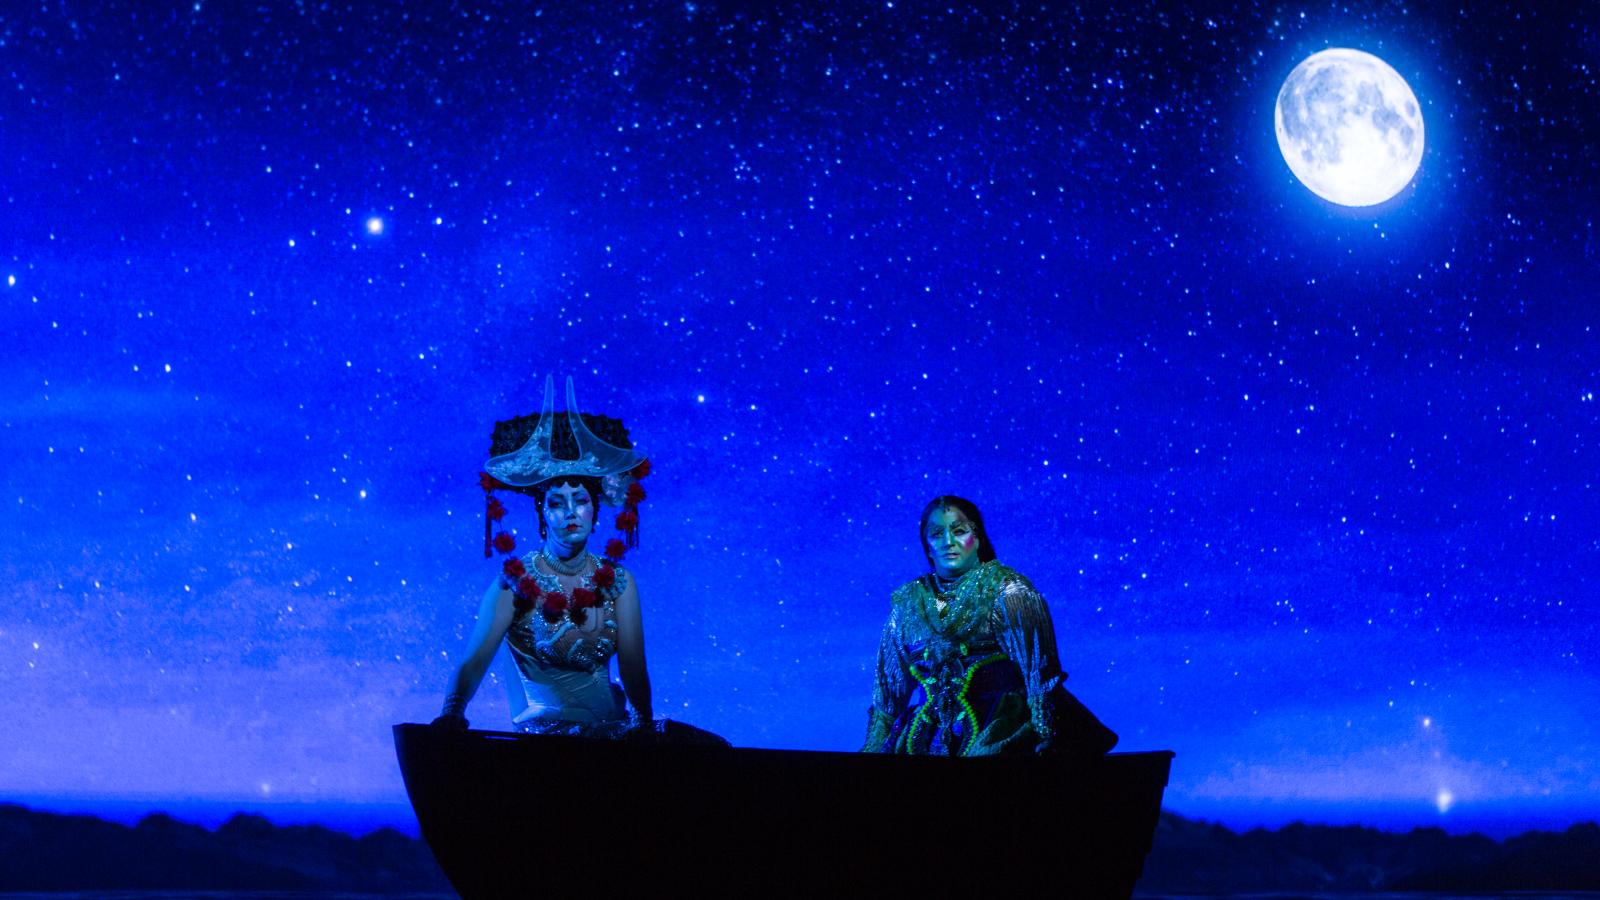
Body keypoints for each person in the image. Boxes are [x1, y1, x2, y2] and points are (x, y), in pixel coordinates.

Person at [433, 376, 653, 737]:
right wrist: (451, 714)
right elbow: (474, 661)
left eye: (581, 501)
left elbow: (633, 665)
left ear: (595, 514)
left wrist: (644, 725)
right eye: (557, 503)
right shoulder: (516, 582)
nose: (570, 512)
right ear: (543, 517)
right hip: (543, 742)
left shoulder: (619, 583)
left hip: (610, 737)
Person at [862, 495, 1117, 757]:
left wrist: (1046, 737)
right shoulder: (907, 606)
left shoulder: (1009, 591)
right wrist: (871, 751)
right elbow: (887, 694)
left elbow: (1039, 675)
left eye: (959, 531)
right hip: (924, 739)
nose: (949, 541)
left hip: (999, 731)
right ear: (927, 546)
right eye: (937, 534)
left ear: (978, 537)